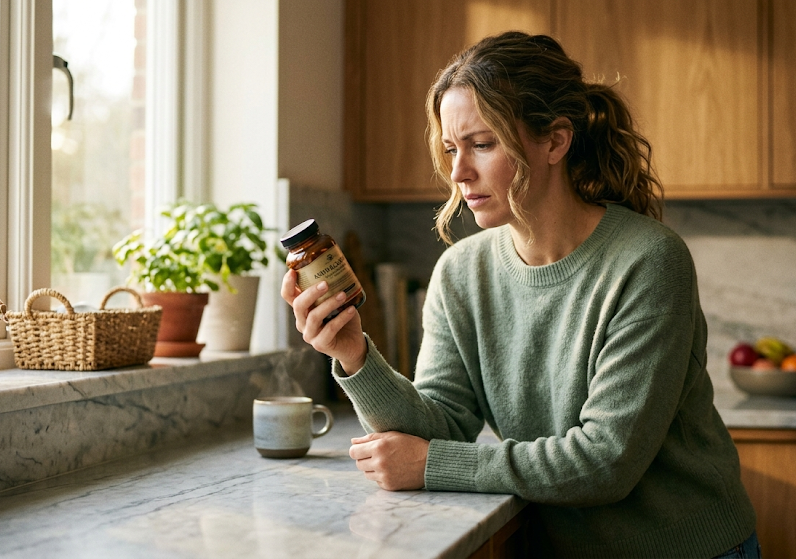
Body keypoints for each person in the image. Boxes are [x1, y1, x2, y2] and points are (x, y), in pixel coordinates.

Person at [281, 31, 759, 558]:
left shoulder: (648, 260)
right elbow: (443, 424)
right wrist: (353, 352)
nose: (460, 173)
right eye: (450, 148)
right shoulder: (461, 272)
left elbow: (606, 462)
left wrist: (431, 465)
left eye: (482, 144)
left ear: (555, 141)